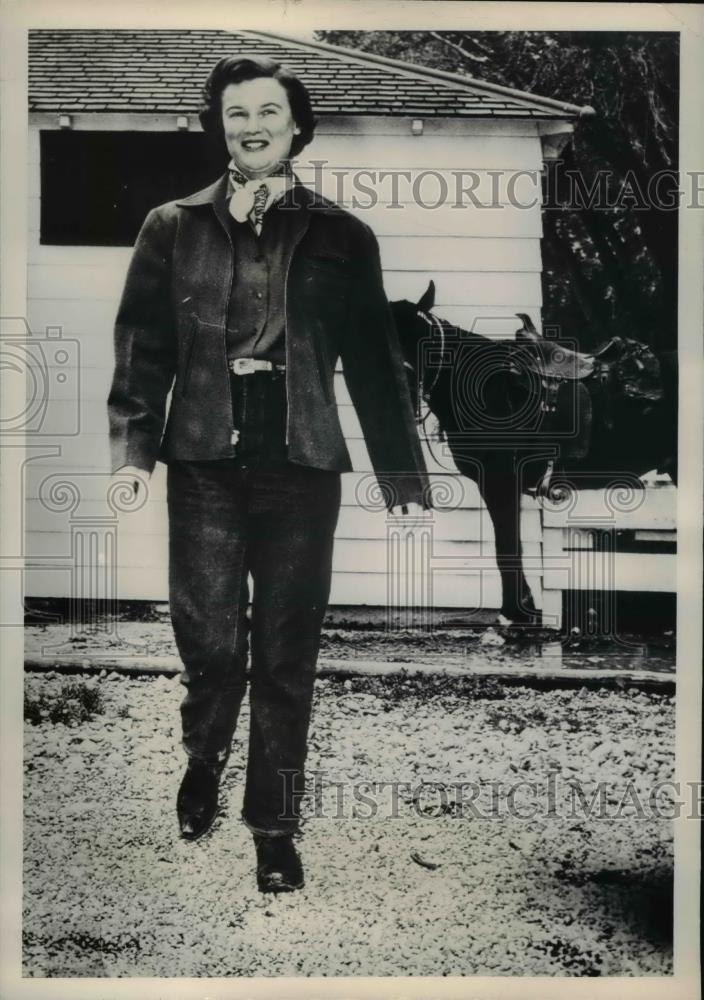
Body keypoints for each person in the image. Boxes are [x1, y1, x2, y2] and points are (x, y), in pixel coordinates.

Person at [107, 54, 431, 893]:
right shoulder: (170, 226)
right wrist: (134, 452)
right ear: (221, 126)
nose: (251, 126)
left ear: (296, 125)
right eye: (236, 113)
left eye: (267, 112)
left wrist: (401, 475)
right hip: (206, 455)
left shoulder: (342, 236)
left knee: (288, 654)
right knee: (211, 642)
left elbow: (374, 359)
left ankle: (273, 828)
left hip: (301, 459)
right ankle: (204, 752)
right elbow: (142, 345)